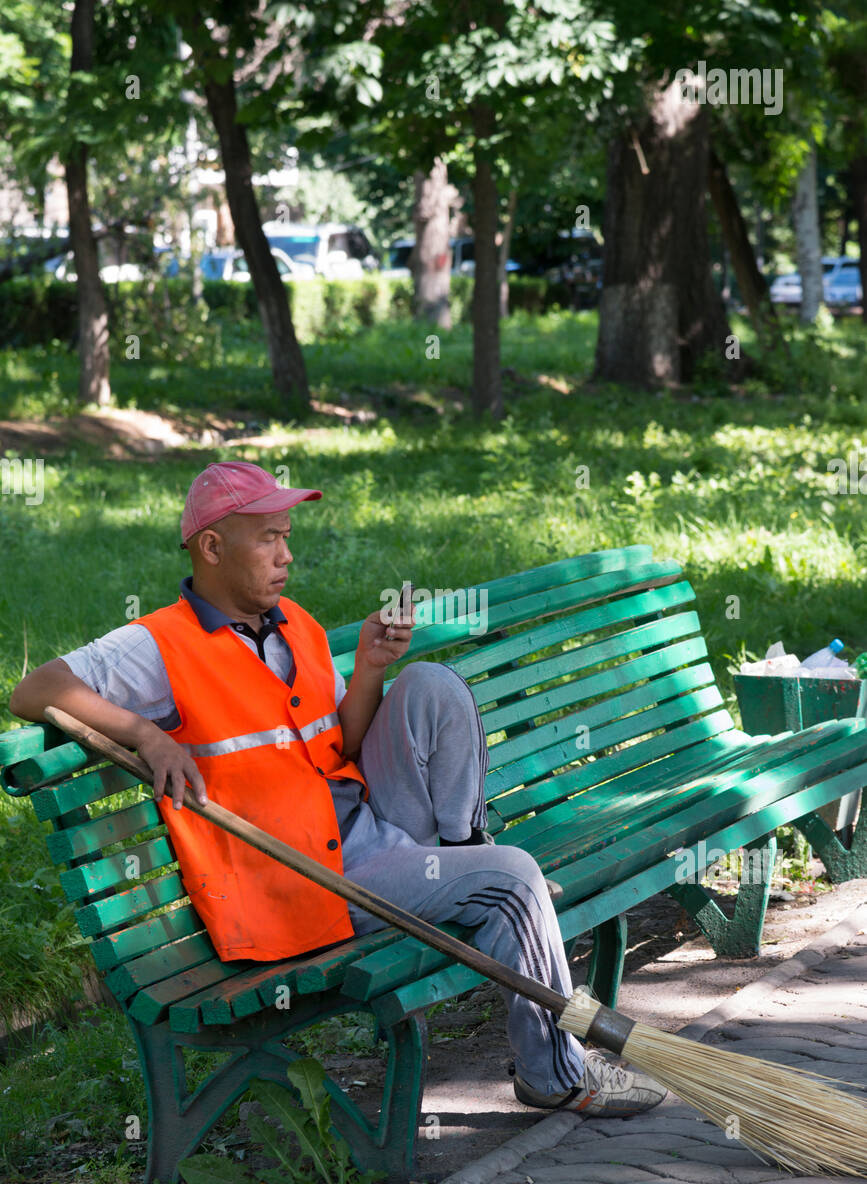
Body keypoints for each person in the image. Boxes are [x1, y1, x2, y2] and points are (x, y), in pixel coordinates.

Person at [9, 460, 666, 1117]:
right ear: (211, 547)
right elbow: (33, 691)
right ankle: (556, 1077)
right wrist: (146, 735)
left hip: (362, 829)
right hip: (302, 881)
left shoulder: (293, 622)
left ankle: (468, 849)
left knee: (430, 684)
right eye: (267, 538)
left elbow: (340, 746)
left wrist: (371, 671)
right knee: (514, 882)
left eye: (287, 536)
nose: (286, 555)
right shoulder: (158, 645)